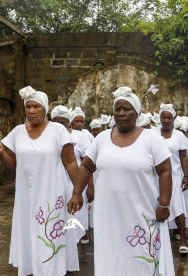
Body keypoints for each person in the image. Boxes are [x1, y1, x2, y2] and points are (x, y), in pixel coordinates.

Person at [67, 86, 175, 276]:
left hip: (141, 211)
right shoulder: (101, 139)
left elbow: (165, 170)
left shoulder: (151, 139)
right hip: (108, 214)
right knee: (110, 255)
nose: (121, 113)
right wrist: (77, 193)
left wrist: (165, 205)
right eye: (118, 109)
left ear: (137, 113)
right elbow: (85, 166)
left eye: (127, 109)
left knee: (140, 257)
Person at [0, 86, 79, 276]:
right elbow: (12, 163)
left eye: (36, 106)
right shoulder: (17, 132)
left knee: (50, 233)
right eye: (28, 106)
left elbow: (71, 162)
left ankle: (51, 270)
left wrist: (78, 192)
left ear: (45, 109)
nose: (31, 110)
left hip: (52, 193)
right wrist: (1, 152)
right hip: (26, 196)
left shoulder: (57, 130)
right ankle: (36, 269)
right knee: (31, 232)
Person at [51, 105, 91, 246]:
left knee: (76, 213)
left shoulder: (80, 137)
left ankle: (80, 235)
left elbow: (87, 163)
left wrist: (90, 186)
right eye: (56, 123)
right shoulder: (49, 135)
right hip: (56, 182)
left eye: (63, 123)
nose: (59, 126)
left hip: (75, 181)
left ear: (69, 122)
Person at [157, 103, 188, 254]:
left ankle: (182, 241)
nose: (166, 120)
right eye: (163, 117)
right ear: (160, 119)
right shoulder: (154, 134)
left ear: (173, 119)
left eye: (169, 118)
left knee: (177, 207)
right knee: (157, 206)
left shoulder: (179, 136)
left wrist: (186, 176)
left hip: (175, 177)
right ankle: (158, 240)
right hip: (156, 177)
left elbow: (183, 157)